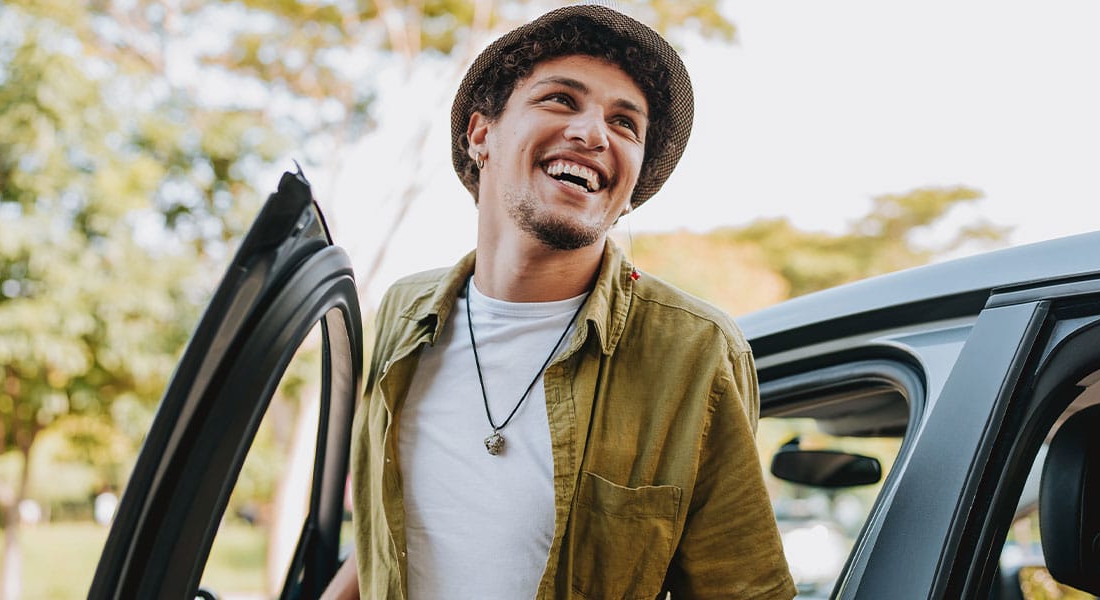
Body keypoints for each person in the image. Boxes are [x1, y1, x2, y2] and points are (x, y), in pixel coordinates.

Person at [323, 4, 795, 599]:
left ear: (632, 184)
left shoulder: (694, 350)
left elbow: (743, 590)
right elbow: (388, 532)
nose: (595, 133)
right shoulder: (403, 312)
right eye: (561, 100)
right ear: (481, 134)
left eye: (626, 124)